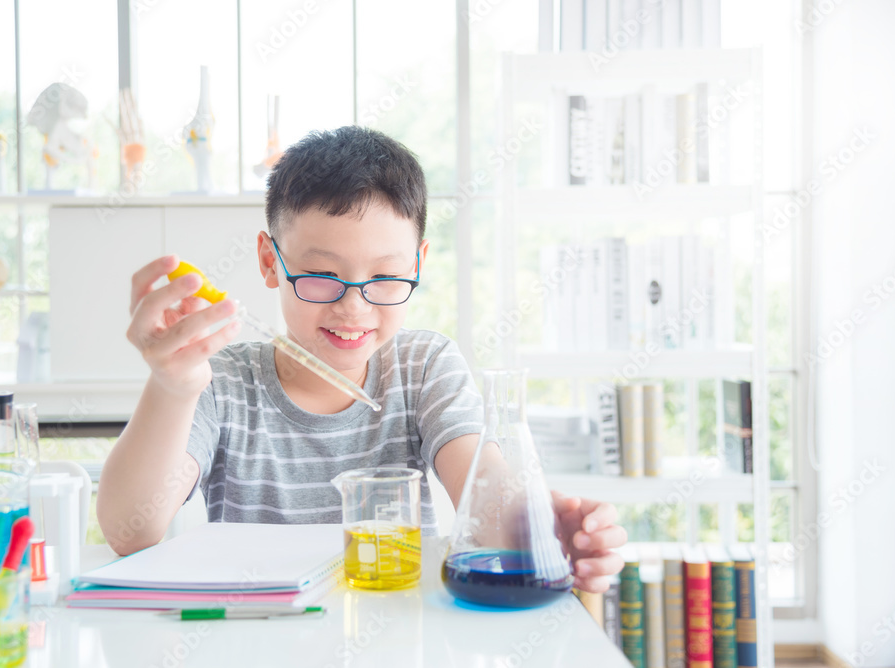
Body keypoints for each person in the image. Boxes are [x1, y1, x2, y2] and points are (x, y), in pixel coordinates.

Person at [97, 126, 626, 593]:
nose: (354, 306)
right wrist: (173, 384)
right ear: (269, 260)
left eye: (385, 277)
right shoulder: (222, 380)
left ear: (418, 263)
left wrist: (536, 531)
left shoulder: (423, 367)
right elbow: (128, 531)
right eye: (323, 275)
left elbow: (483, 493)